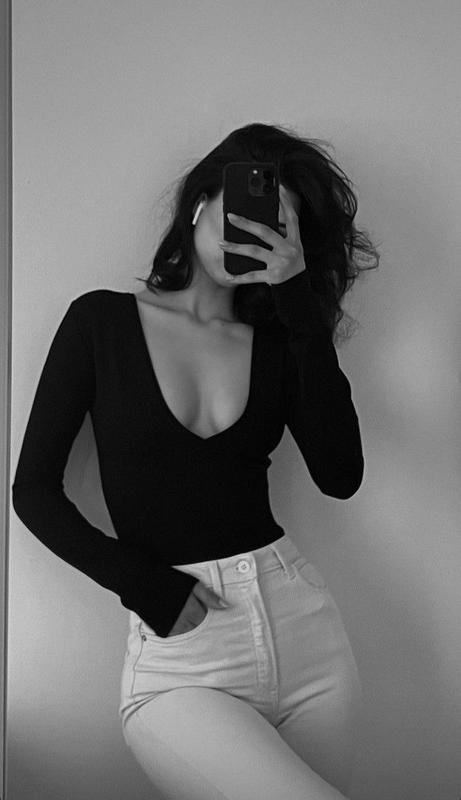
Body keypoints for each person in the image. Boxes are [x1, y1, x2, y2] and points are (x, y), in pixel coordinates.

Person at [12, 122, 380, 799]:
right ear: (199, 203)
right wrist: (141, 583)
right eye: (242, 211)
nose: (251, 233)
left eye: (275, 225)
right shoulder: (100, 323)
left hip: (306, 636)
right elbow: (32, 489)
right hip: (184, 654)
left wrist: (301, 306)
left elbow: (340, 475)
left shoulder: (278, 344)